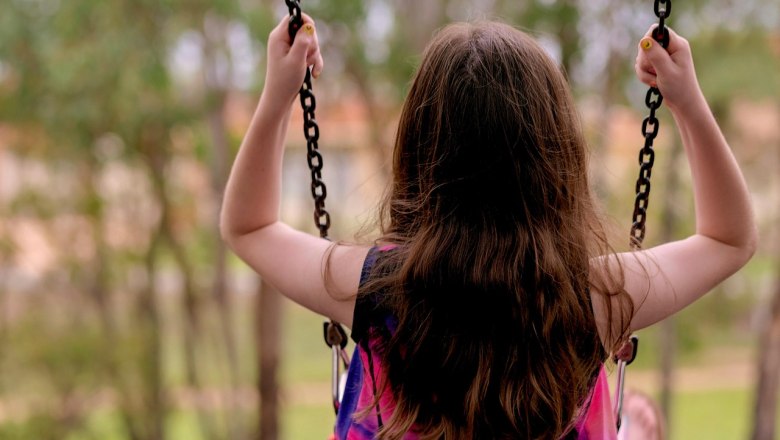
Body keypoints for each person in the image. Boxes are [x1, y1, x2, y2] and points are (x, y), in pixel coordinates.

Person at [220, 15, 757, 440]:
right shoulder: (593, 295)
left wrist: (278, 96)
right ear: (557, 160)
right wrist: (685, 101)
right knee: (631, 422)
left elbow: (249, 226)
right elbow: (728, 238)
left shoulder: (377, 288)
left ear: (418, 151)